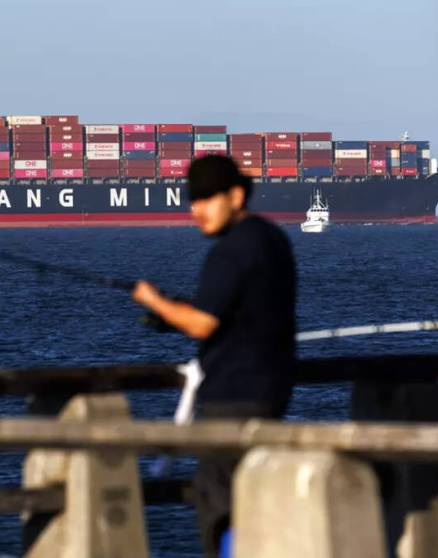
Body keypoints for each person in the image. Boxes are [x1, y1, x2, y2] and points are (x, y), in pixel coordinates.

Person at [132, 154, 297, 558]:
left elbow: (203, 325)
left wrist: (154, 301)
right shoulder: (272, 239)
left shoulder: (230, 251)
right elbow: (239, 310)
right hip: (273, 388)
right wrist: (176, 313)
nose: (196, 210)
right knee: (256, 499)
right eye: (193, 200)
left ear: (236, 195)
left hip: (233, 396)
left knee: (220, 505)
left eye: (206, 199)